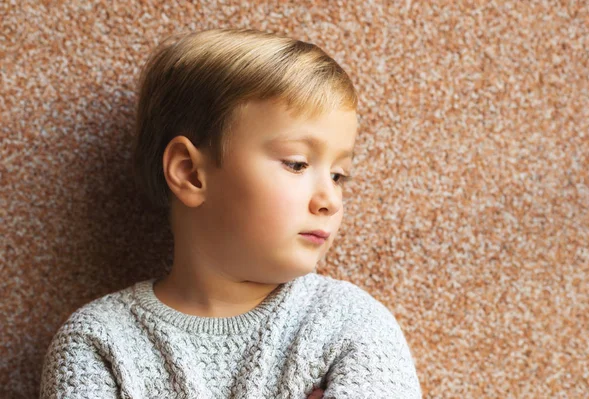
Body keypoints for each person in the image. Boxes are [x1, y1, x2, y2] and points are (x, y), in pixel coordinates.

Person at [39, 28, 421, 398]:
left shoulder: (353, 325)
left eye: (339, 175)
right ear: (190, 172)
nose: (330, 200)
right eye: (297, 163)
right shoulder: (97, 343)